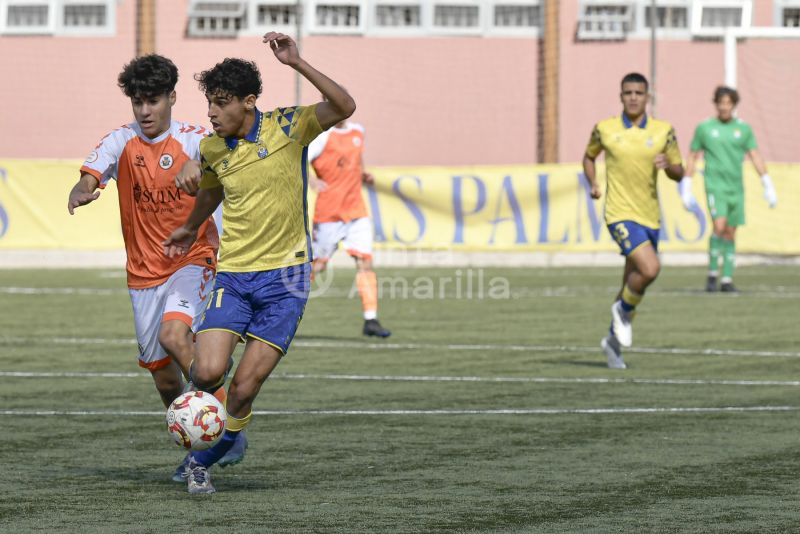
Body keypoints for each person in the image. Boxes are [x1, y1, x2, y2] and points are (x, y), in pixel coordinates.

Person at [163, 32, 356, 494]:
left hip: (286, 280)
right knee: (208, 372)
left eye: (221, 103)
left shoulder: (289, 127)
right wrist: (191, 225)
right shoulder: (211, 148)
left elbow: (345, 105)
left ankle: (209, 454)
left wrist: (296, 62)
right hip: (233, 274)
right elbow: (210, 191)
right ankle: (207, 430)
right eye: (209, 102)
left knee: (245, 388)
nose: (211, 112)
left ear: (248, 102)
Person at [66, 54, 246, 478]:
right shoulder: (121, 141)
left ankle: (227, 428)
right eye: (138, 102)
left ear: (172, 98)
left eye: (153, 100)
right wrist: (83, 187)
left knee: (173, 335)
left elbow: (223, 156)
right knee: (164, 380)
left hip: (192, 258)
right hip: (143, 274)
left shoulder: (193, 138)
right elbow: (91, 173)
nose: (145, 111)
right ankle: (196, 438)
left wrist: (197, 163)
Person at [582, 72, 684, 369]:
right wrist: (593, 182)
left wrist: (668, 167)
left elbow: (680, 171)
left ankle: (612, 342)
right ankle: (623, 310)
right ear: (621, 96)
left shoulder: (664, 131)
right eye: (628, 93)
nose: (634, 98)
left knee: (632, 280)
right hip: (619, 213)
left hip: (650, 216)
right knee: (650, 268)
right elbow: (589, 157)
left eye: (639, 93)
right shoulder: (605, 129)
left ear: (647, 97)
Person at [678, 86, 777, 293]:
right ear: (716, 104)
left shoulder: (744, 129)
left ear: (734, 105)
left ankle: (727, 279)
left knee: (731, 232)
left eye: (728, 103)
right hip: (715, 186)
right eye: (721, 102)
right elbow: (693, 155)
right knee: (719, 226)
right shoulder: (705, 128)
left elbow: (755, 154)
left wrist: (767, 182)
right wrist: (686, 185)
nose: (724, 107)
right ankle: (712, 274)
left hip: (736, 188)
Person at [308, 99, 391, 338]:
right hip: (329, 213)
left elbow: (357, 159)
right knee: (319, 266)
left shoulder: (358, 131)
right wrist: (312, 180)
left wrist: (362, 174)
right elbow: (299, 158)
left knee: (365, 262)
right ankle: (278, 305)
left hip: (357, 212)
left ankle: (371, 319)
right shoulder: (322, 137)